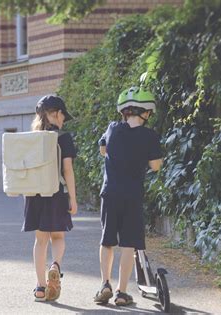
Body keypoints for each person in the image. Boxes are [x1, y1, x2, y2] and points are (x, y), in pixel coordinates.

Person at [94, 86, 163, 306]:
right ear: (145, 112)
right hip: (132, 196)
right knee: (129, 244)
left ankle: (105, 283)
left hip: (110, 193)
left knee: (107, 241)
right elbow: (156, 166)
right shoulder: (150, 136)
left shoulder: (113, 128)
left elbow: (103, 150)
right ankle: (121, 293)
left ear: (124, 111)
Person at [22, 95, 78, 302]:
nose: (64, 120)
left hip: (35, 194)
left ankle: (40, 287)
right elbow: (68, 169)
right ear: (57, 114)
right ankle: (55, 265)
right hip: (57, 193)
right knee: (58, 237)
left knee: (40, 240)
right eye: (63, 115)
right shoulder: (63, 137)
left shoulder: (31, 138)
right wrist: (73, 197)